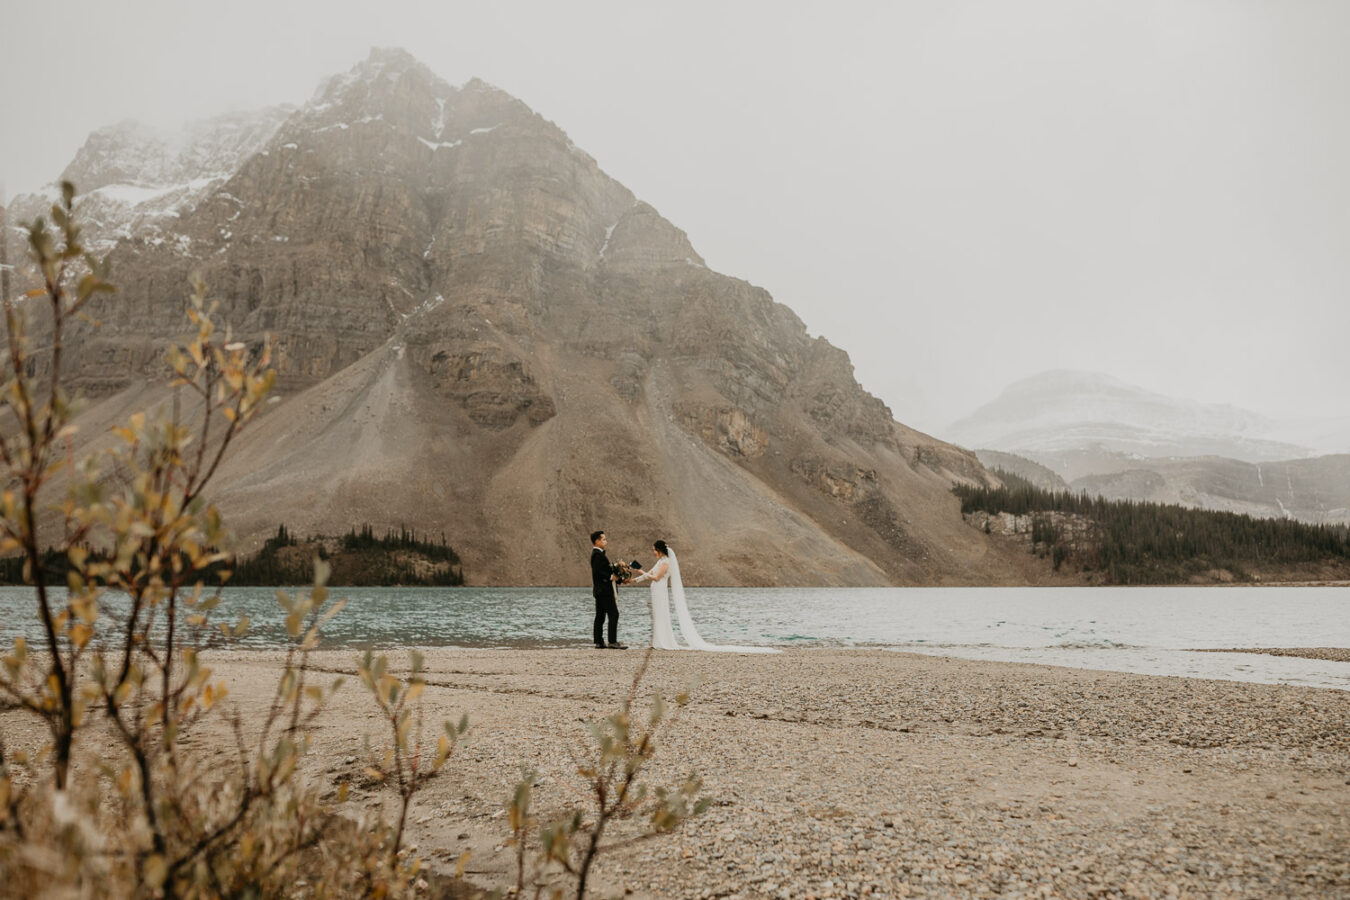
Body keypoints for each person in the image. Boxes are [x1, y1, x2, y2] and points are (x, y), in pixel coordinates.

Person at [630, 540, 778, 653]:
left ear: (659, 550)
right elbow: (648, 574)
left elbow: (655, 578)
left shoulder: (666, 563)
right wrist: (632, 580)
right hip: (655, 591)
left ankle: (662, 642)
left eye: (654, 550)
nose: (653, 552)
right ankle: (657, 641)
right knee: (657, 615)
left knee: (662, 615)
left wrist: (641, 571)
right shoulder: (660, 561)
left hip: (660, 590)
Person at [589, 530, 626, 649]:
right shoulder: (597, 555)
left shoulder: (599, 555)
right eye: (604, 539)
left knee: (600, 616)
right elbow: (598, 572)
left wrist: (619, 578)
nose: (606, 542)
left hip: (600, 591)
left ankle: (599, 642)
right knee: (613, 614)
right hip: (604, 591)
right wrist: (611, 576)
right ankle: (612, 641)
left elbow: (605, 571)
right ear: (597, 541)